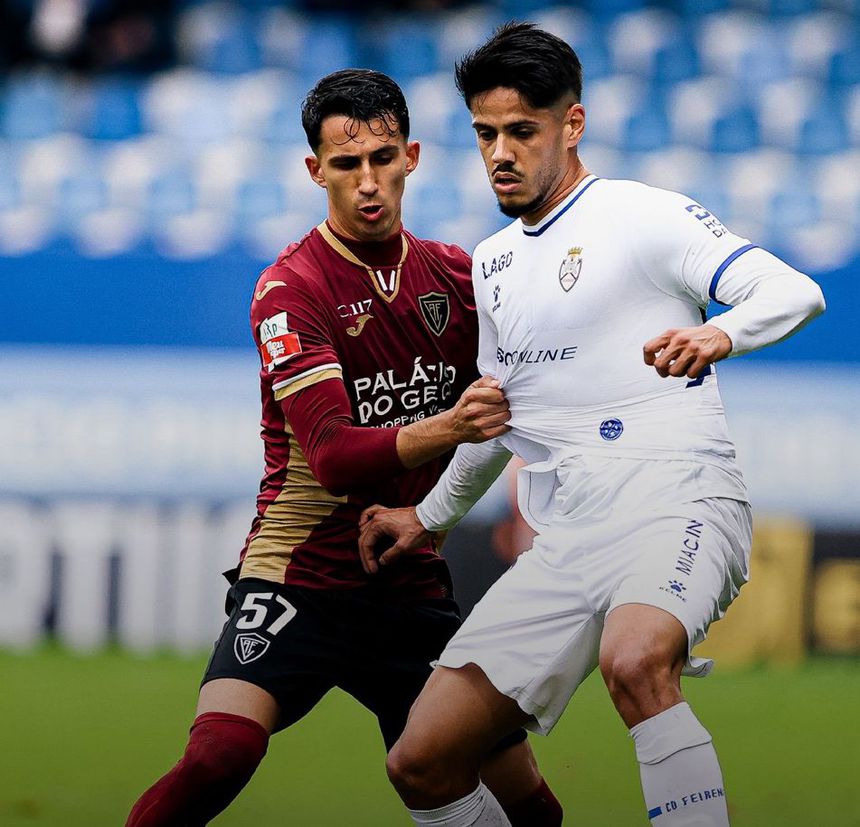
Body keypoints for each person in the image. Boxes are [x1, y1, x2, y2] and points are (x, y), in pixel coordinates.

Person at [358, 23, 826, 827]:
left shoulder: (646, 215)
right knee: (422, 760)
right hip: (569, 536)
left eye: (520, 131)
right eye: (484, 133)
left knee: (636, 660)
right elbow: (498, 421)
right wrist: (427, 516)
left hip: (679, 498)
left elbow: (794, 291)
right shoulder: (493, 264)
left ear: (571, 125)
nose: (500, 152)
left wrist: (720, 332)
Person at [125, 69, 562, 826]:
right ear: (314, 170)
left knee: (530, 803)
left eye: (383, 158)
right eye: (347, 164)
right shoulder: (291, 290)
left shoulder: (459, 280)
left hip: (407, 582)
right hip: (301, 572)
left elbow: (535, 391)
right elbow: (331, 453)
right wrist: (454, 424)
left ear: (413, 156)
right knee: (219, 756)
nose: (368, 182)